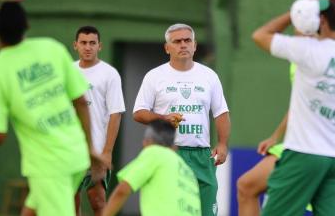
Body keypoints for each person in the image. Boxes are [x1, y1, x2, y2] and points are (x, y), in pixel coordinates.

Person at [0, 2, 105, 216]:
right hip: (77, 154)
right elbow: (80, 101)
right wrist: (90, 148)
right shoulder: (51, 48)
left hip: (48, 167)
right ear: (27, 26)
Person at [252, 0, 335, 216]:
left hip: (304, 153)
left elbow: (261, 35)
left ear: (322, 21)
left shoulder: (308, 50)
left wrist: (295, 13)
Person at [237, 0, 323, 216]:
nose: (294, 26)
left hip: (306, 147)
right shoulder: (317, 54)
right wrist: (276, 136)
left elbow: (261, 34)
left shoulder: (308, 54)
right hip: (306, 144)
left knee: (248, 187)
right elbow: (300, 106)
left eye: (299, 20)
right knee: (247, 187)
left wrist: (299, 9)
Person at [133, 23, 231, 216]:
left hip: (202, 155)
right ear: (167, 47)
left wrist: (222, 143)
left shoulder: (209, 76)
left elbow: (220, 112)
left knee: (206, 211)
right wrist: (163, 118)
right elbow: (139, 112)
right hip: (169, 153)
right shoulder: (154, 76)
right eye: (177, 41)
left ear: (194, 45)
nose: (183, 45)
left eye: (187, 40)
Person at [73, 25, 125, 215]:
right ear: (75, 45)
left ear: (99, 46)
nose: (88, 47)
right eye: (84, 43)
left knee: (98, 201)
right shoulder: (69, 71)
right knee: (71, 203)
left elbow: (115, 114)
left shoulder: (109, 74)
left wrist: (107, 152)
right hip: (71, 150)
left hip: (97, 150)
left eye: (92, 43)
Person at [102, 119, 201, 216]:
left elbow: (122, 191)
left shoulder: (154, 152)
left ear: (147, 142)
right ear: (174, 147)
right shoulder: (188, 171)